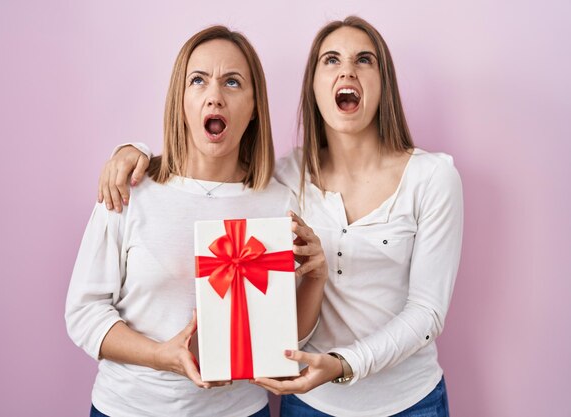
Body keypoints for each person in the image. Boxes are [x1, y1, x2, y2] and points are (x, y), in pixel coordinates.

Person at [96, 16, 463, 417]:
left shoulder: (433, 177)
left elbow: (427, 311)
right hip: (308, 405)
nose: (347, 70)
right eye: (331, 60)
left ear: (384, 83)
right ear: (314, 88)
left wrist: (343, 365)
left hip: (409, 402)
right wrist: (133, 152)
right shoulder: (284, 179)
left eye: (364, 60)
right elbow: (211, 174)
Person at [66, 25, 328, 417]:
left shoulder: (280, 203)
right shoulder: (130, 189)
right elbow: (84, 313)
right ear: (181, 100)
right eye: (198, 81)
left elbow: (288, 336)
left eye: (233, 82)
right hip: (127, 408)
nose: (214, 96)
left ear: (255, 106)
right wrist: (161, 356)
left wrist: (315, 277)